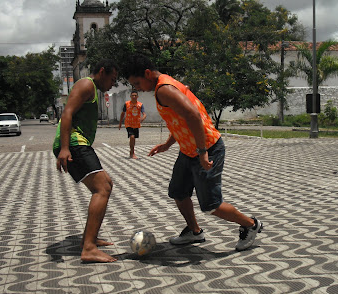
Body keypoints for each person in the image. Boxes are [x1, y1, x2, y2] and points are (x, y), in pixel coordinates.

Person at [123, 54, 263, 251]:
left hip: (206, 148)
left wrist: (203, 152)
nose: (137, 88)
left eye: (137, 83)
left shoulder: (164, 89)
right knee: (178, 192)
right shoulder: (163, 85)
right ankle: (194, 232)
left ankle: (251, 225)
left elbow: (194, 116)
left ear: (147, 73)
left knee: (211, 205)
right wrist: (168, 144)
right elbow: (180, 120)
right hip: (189, 151)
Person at [53, 59, 118, 263]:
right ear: (102, 71)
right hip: (73, 143)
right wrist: (64, 148)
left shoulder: (91, 87)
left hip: (77, 143)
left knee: (106, 184)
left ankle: (89, 239)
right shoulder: (86, 84)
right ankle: (88, 248)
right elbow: (67, 113)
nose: (113, 84)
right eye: (112, 79)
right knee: (102, 188)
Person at [118, 90, 147, 159]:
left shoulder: (140, 105)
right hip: (128, 123)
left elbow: (144, 114)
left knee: (134, 138)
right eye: (132, 95)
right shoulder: (127, 104)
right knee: (132, 137)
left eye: (135, 95)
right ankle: (132, 153)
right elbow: (123, 113)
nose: (134, 97)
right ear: (130, 96)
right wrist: (120, 123)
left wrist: (143, 118)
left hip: (136, 124)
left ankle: (132, 150)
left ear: (137, 97)